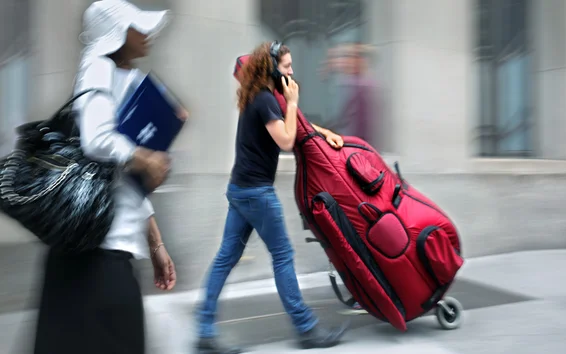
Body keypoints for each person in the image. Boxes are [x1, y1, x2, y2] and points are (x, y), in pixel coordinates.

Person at [33, 1, 182, 353]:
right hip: (94, 256)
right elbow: (97, 140)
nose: (146, 34)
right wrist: (144, 156)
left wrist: (156, 243)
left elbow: (121, 180)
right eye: (137, 26)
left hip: (101, 253)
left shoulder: (120, 79)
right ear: (116, 33)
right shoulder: (97, 68)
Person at [195, 42, 347, 353]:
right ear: (272, 68)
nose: (292, 71)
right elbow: (287, 139)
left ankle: (204, 331)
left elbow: (291, 125)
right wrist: (293, 102)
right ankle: (306, 329)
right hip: (256, 194)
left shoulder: (259, 95)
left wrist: (323, 131)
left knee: (226, 258)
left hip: (240, 190)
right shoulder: (265, 99)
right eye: (287, 66)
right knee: (282, 255)